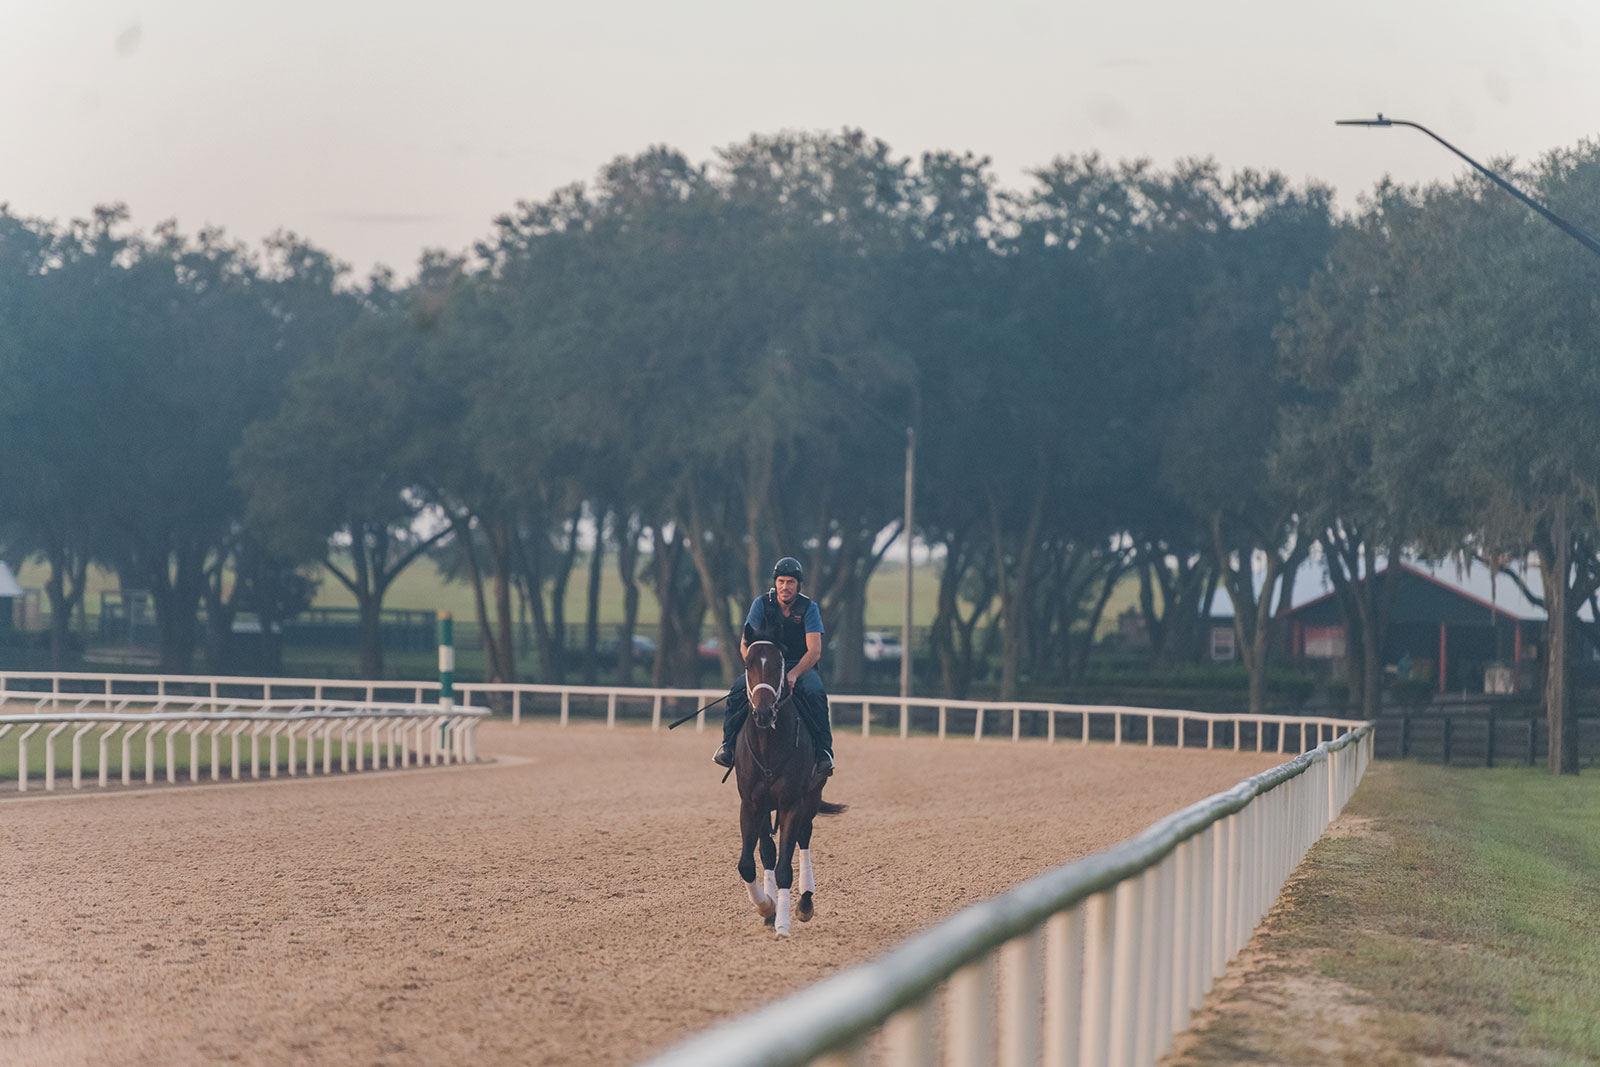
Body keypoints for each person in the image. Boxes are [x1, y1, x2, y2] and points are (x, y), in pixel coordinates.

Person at [711, 556, 835, 777]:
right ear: (775, 582)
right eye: (781, 581)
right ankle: (728, 746)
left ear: (798, 585)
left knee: (816, 693)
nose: (785, 587)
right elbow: (745, 643)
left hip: (799, 666)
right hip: (765, 666)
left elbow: (814, 651)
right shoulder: (761, 604)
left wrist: (793, 674)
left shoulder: (809, 608)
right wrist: (752, 669)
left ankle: (824, 752)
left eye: (790, 582)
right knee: (736, 691)